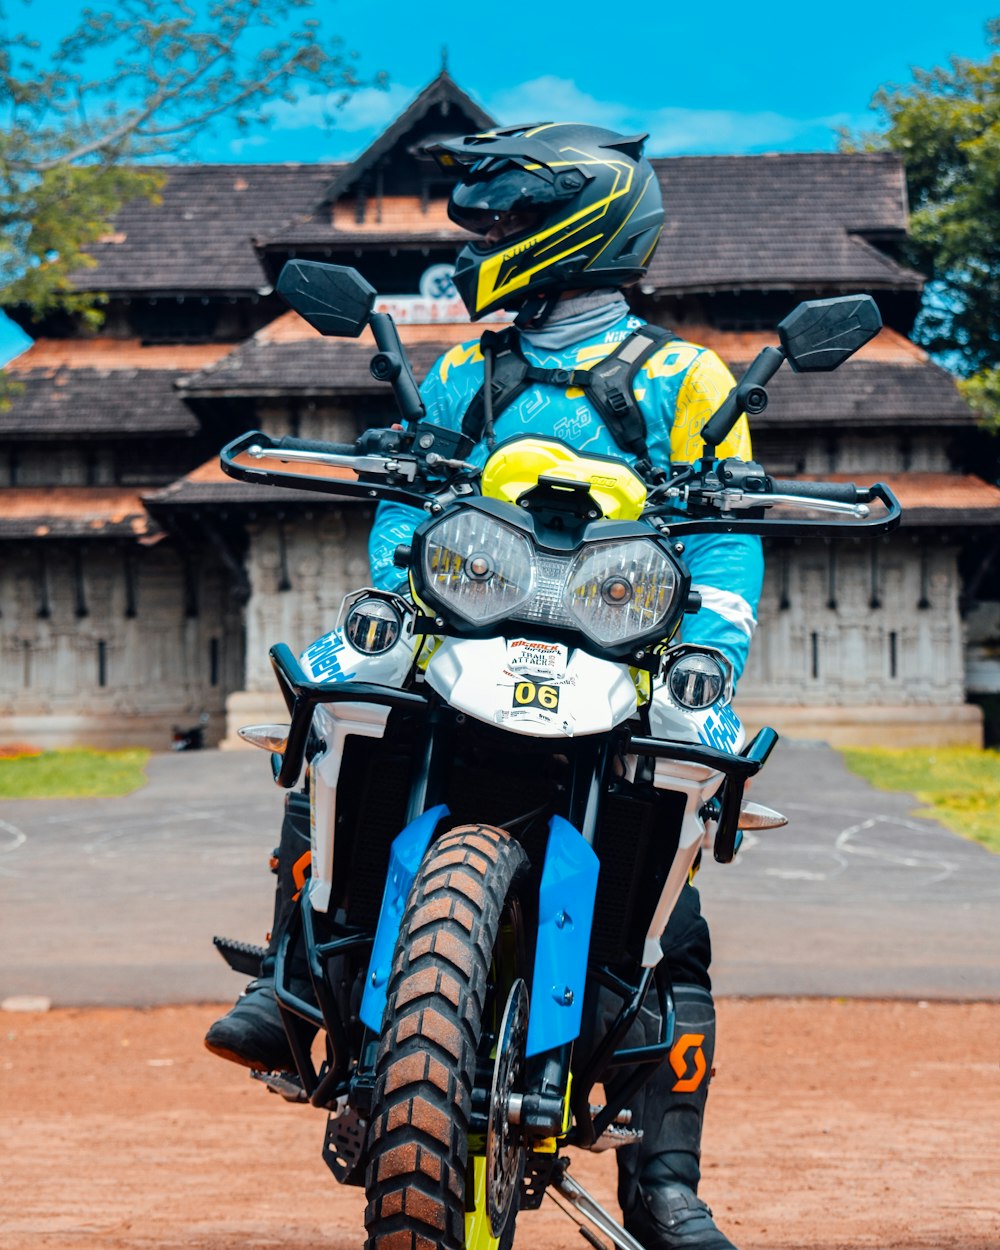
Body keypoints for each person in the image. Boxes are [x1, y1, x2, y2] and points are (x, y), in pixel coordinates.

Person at [206, 123, 763, 1250]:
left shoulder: (687, 377)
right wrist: (397, 583)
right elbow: (404, 512)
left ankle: (664, 1179)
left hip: (616, 653)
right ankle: (292, 980)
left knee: (680, 916)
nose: (490, 242)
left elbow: (725, 538)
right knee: (331, 720)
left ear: (578, 227)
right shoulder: (464, 369)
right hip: (465, 633)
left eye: (506, 222)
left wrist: (710, 645)